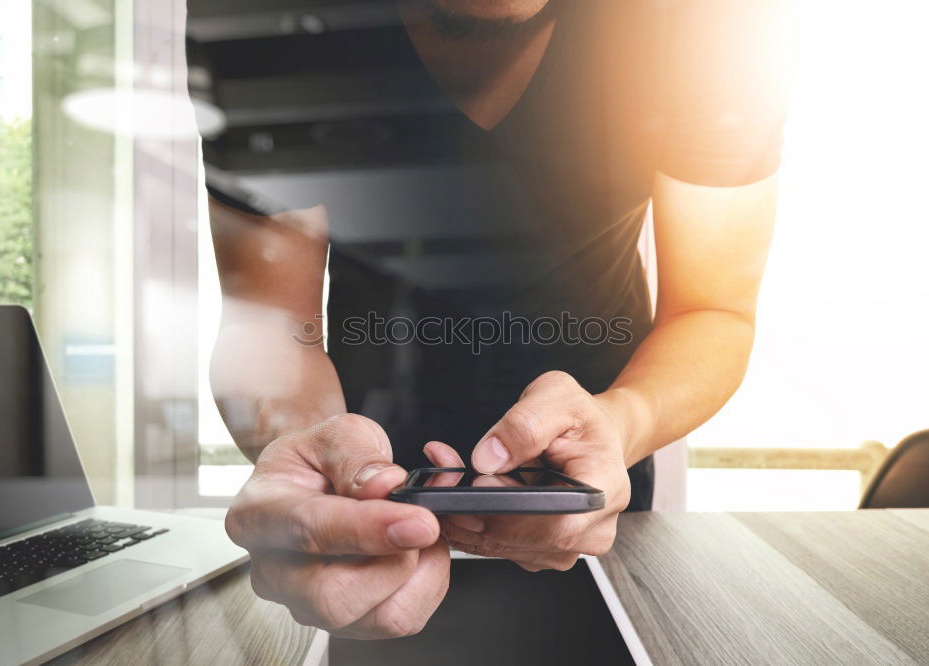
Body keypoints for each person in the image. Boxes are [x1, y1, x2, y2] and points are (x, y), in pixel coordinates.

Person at [189, 0, 788, 639]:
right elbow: (271, 328)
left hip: (591, 496)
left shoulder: (714, 21)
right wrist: (310, 456)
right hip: (361, 499)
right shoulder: (253, 13)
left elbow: (712, 311)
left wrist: (624, 420)